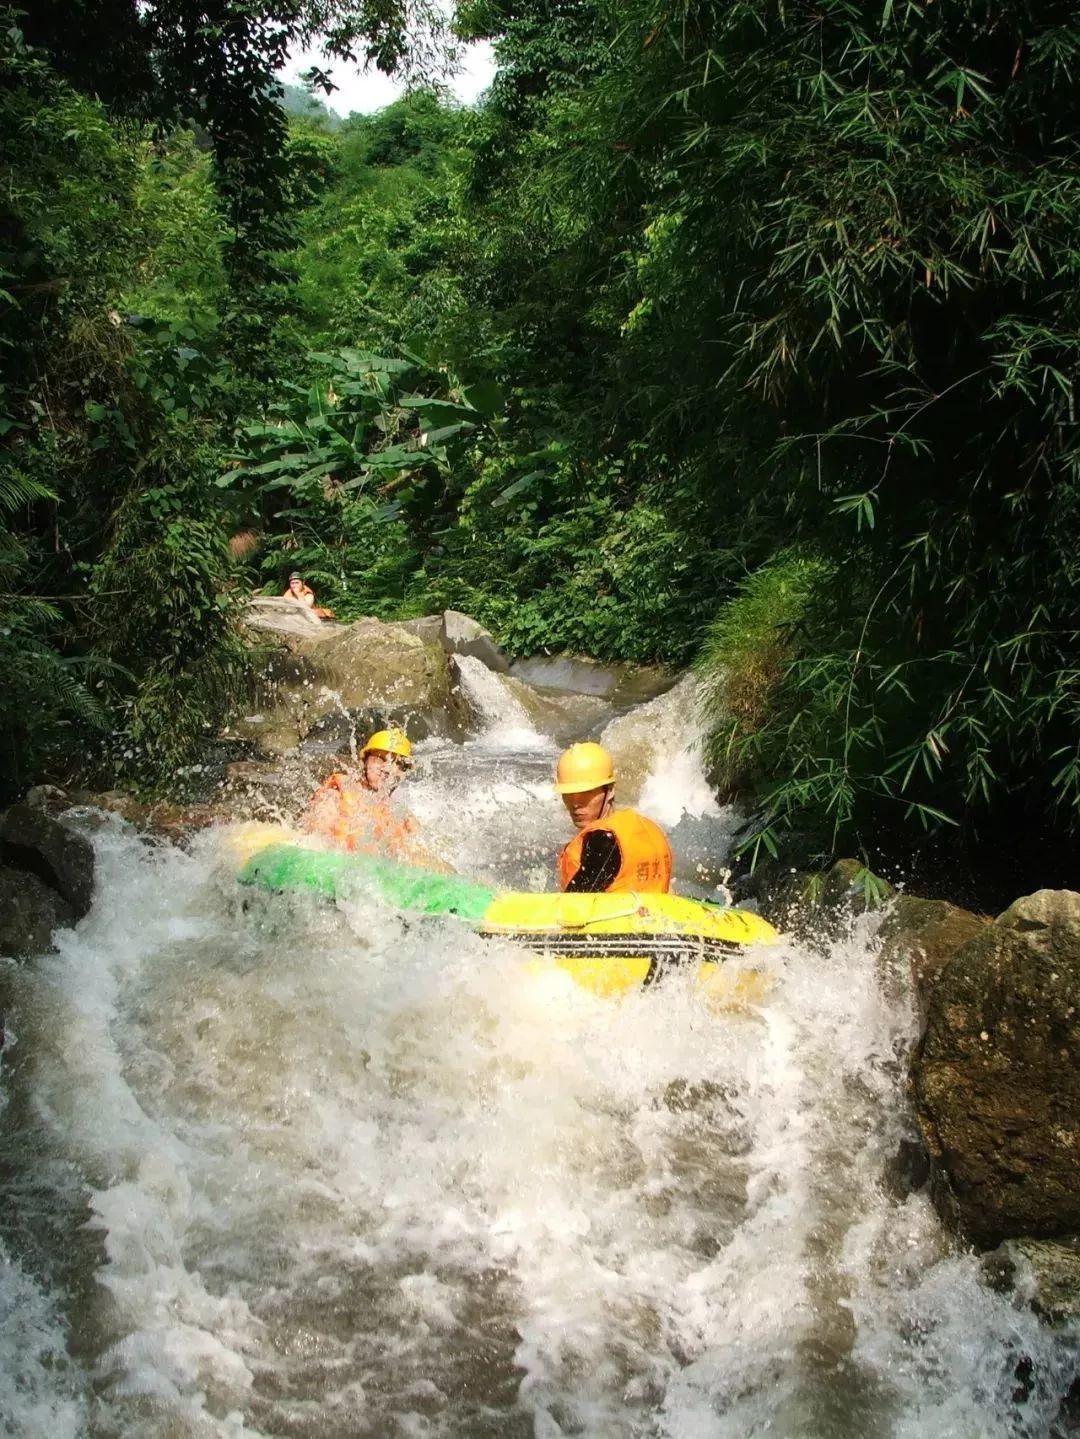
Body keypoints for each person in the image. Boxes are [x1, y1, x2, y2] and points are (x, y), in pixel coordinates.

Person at [303, 728, 444, 868]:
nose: (388, 768)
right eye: (381, 758)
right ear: (365, 761)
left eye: (398, 764)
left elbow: (425, 859)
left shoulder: (402, 816)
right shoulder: (337, 793)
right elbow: (313, 843)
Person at [554, 741, 673, 894]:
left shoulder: (603, 840)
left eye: (586, 793)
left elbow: (572, 906)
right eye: (568, 794)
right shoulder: (648, 828)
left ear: (610, 791)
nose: (575, 803)